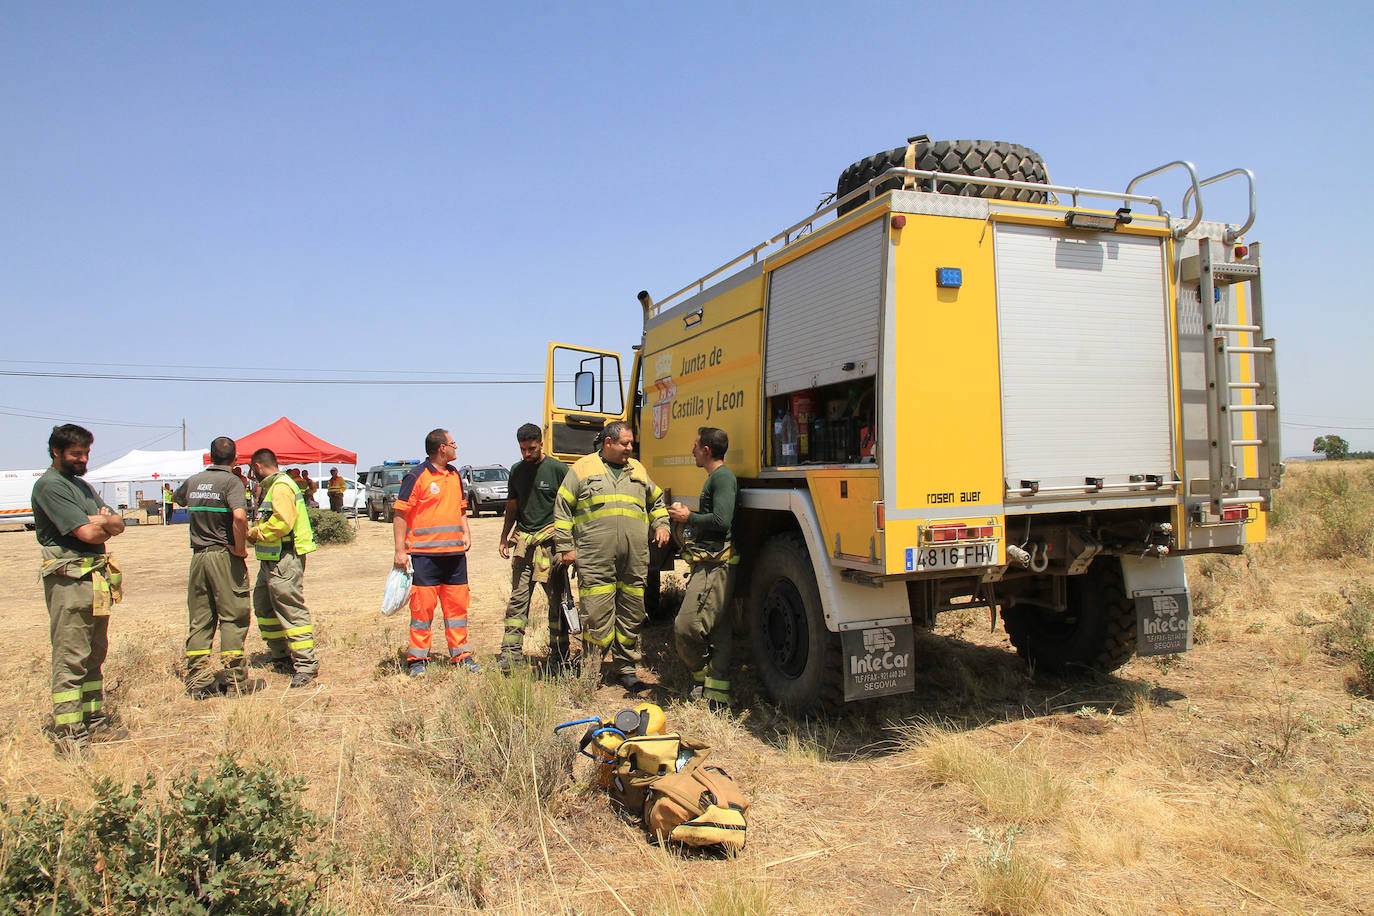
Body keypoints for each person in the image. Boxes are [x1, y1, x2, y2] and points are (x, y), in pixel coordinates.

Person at [31, 424, 127, 754]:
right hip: (69, 579)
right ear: (56, 452)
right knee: (71, 656)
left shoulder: (82, 486)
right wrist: (100, 523)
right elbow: (87, 534)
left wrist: (102, 522)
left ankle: (94, 721)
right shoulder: (49, 486)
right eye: (75, 454)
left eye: (86, 453)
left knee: (94, 653)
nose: (82, 459)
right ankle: (69, 732)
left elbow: (119, 524)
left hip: (95, 580)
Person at [554, 421, 670, 692]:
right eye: (625, 443)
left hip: (634, 557)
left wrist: (662, 524)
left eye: (631, 443)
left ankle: (626, 669)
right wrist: (566, 547)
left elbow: (656, 501)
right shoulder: (582, 469)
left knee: (632, 612)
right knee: (596, 614)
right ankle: (592, 669)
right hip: (595, 558)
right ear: (608, 443)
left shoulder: (637, 469)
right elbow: (562, 508)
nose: (630, 448)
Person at [173, 437, 262, 699]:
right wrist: (239, 548)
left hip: (198, 557)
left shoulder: (194, 480)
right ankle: (235, 681)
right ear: (235, 458)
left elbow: (179, 499)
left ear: (210, 457)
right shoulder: (232, 482)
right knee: (233, 615)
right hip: (223, 555)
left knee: (201, 618)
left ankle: (198, 680)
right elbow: (238, 516)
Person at [393, 429, 479, 675]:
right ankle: (417, 660)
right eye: (453, 443)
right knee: (422, 611)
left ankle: (461, 656)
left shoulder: (454, 476)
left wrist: (466, 532)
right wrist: (400, 551)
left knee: (457, 610)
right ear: (442, 448)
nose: (455, 448)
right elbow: (400, 514)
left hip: (454, 558)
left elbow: (461, 510)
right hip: (424, 558)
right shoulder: (416, 476)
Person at [667, 427, 739, 707]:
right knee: (719, 629)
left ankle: (701, 674)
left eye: (695, 446)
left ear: (706, 450)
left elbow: (722, 521)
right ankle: (716, 694)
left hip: (716, 566)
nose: (692, 451)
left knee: (685, 627)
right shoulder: (717, 477)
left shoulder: (722, 477)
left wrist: (689, 517)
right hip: (712, 561)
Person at [496, 423, 571, 674]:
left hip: (551, 547)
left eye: (531, 448)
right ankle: (510, 655)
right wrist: (505, 537)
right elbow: (512, 506)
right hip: (524, 547)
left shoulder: (559, 469)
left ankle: (560, 656)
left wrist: (568, 546)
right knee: (517, 601)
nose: (527, 454)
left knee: (557, 602)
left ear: (541, 443)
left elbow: (572, 508)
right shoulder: (517, 470)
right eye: (522, 449)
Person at [246, 448, 319, 687]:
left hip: (285, 560)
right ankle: (280, 656)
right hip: (272, 560)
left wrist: (256, 533)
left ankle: (306, 665)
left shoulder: (281, 487)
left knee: (290, 609)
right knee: (264, 606)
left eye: (251, 471)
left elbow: (283, 522)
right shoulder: (273, 486)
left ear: (257, 467)